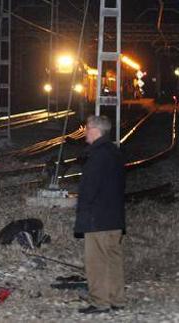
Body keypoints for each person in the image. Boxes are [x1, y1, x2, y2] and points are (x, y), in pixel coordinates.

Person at [75, 115, 126, 314]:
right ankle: (117, 299)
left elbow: (90, 188)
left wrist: (83, 214)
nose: (85, 132)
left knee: (97, 261)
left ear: (95, 130)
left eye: (87, 128)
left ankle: (100, 302)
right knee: (113, 259)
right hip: (114, 217)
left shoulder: (97, 156)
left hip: (98, 218)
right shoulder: (115, 152)